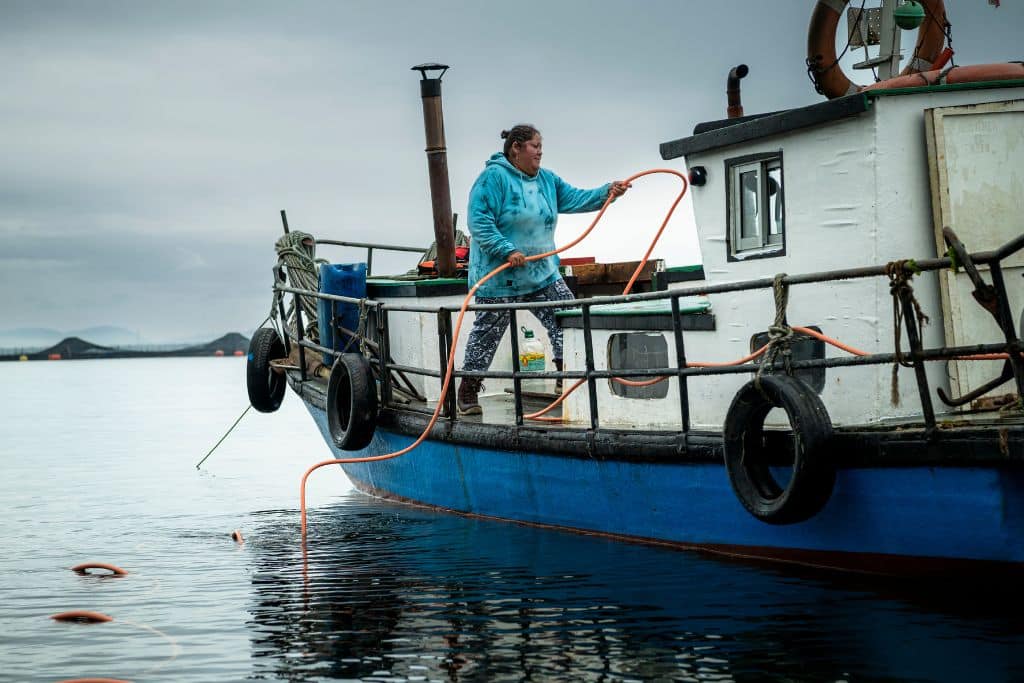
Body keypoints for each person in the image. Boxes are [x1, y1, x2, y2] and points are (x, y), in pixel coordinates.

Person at [457, 124, 630, 415]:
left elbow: (577, 198)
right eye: (535, 146)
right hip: (499, 278)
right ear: (516, 148)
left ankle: (566, 379)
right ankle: (468, 390)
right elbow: (479, 222)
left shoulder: (547, 180)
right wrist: (507, 250)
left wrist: (607, 193)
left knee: (568, 319)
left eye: (541, 146)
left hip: (541, 274)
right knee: (486, 336)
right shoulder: (493, 178)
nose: (540, 152)